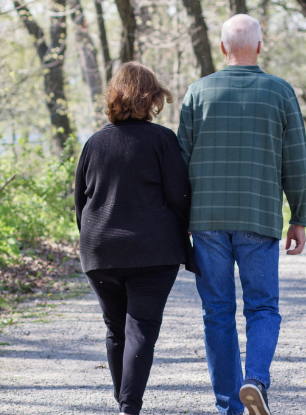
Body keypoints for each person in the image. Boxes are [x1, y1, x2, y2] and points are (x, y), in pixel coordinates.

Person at [177, 14, 306, 415]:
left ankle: (228, 407)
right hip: (258, 217)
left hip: (206, 222)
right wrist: (299, 216)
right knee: (262, 308)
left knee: (216, 312)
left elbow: (179, 164)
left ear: (222, 48)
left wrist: (179, 221)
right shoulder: (280, 92)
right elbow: (297, 162)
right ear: (259, 46)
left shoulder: (198, 92)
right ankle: (255, 380)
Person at [74, 62, 197, 415]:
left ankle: (124, 402)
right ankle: (128, 407)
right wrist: (189, 225)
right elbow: (179, 195)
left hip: (99, 251)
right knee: (141, 327)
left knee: (116, 328)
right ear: (153, 97)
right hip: (152, 252)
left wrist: (91, 240)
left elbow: (80, 202)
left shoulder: (94, 142)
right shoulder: (162, 140)